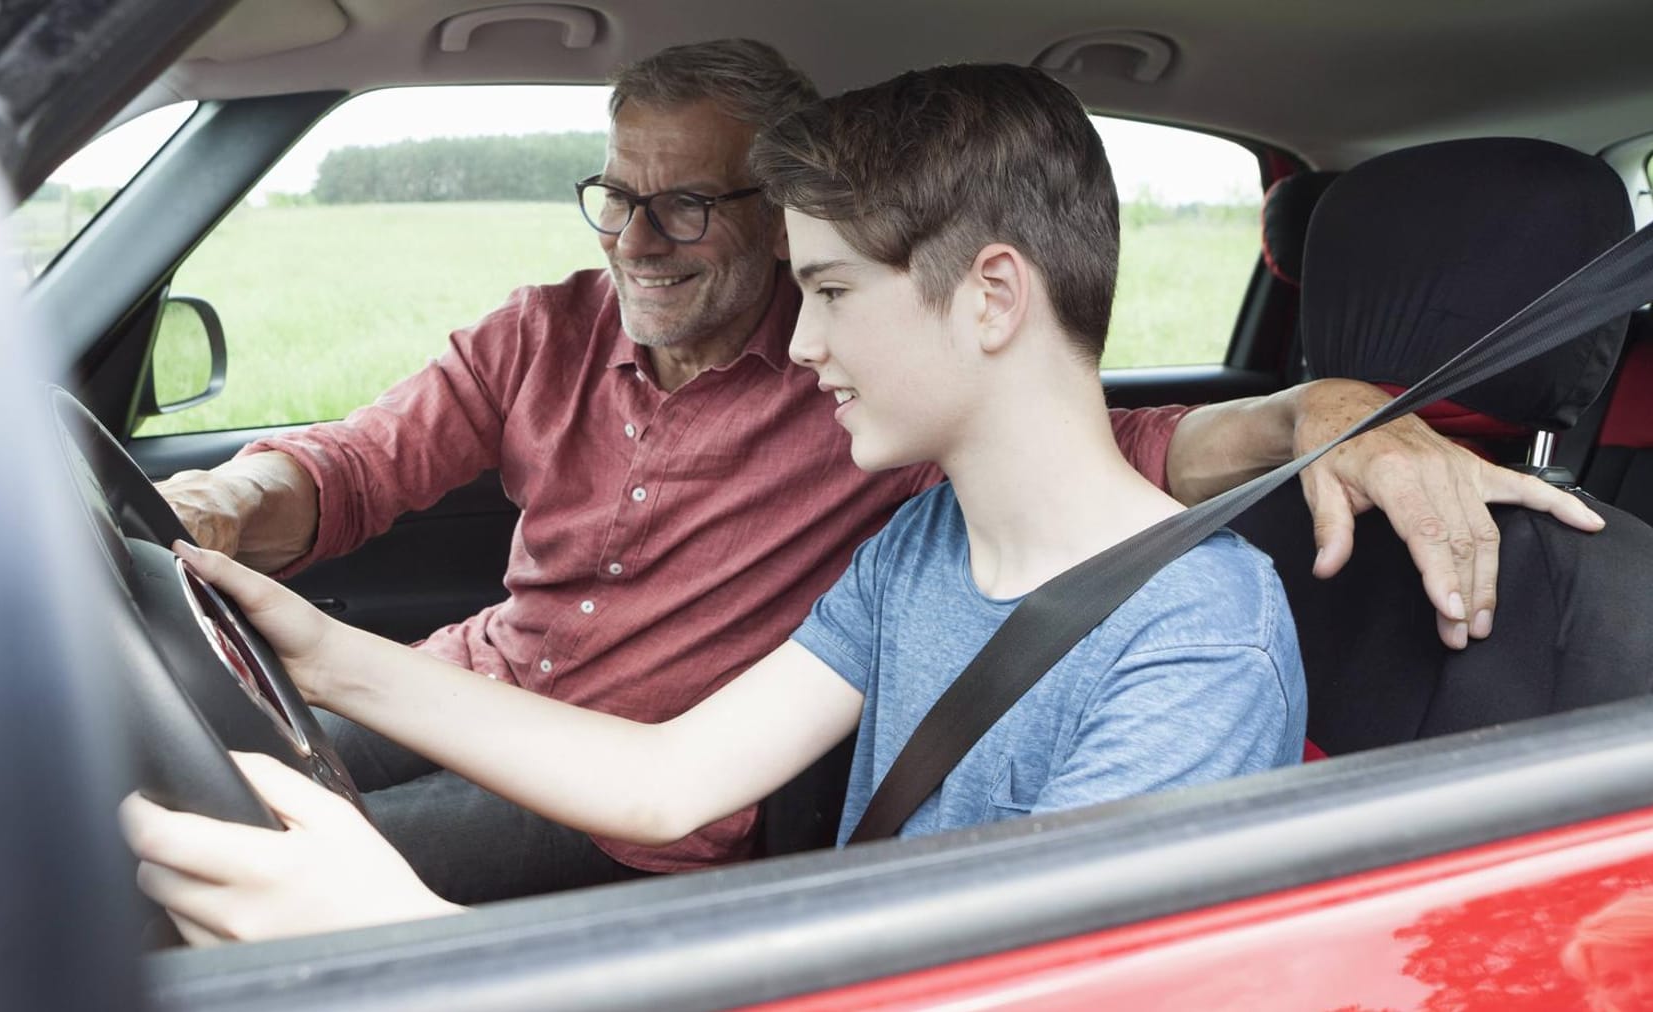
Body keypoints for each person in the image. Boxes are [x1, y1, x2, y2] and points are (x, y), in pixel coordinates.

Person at [153, 39, 1605, 900]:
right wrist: (321, 653)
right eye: (620, 199)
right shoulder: (912, 555)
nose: (803, 345)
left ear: (985, 298)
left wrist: (388, 939)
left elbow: (1013, 973)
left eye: (831, 293)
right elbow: (669, 779)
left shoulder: (1198, 642)